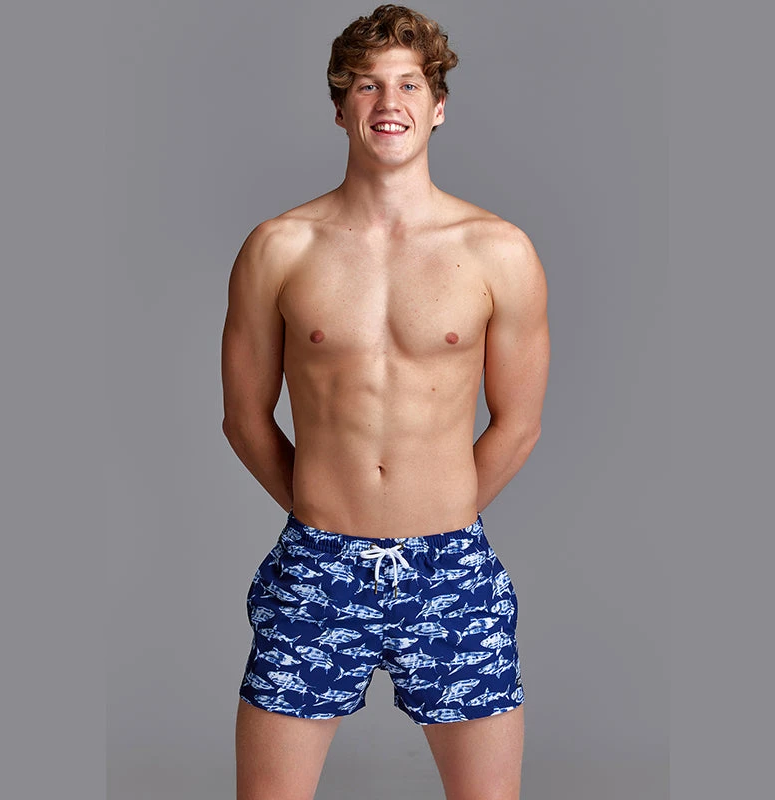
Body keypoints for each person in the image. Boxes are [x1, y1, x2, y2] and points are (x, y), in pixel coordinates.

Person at [221, 5, 549, 799]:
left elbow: (518, 423)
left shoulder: (499, 251)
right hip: (317, 564)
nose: (388, 102)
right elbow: (244, 417)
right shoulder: (279, 248)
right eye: (368, 85)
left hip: (450, 566)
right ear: (341, 108)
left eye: (408, 84)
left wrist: (440, 511)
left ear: (438, 107)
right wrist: (323, 508)